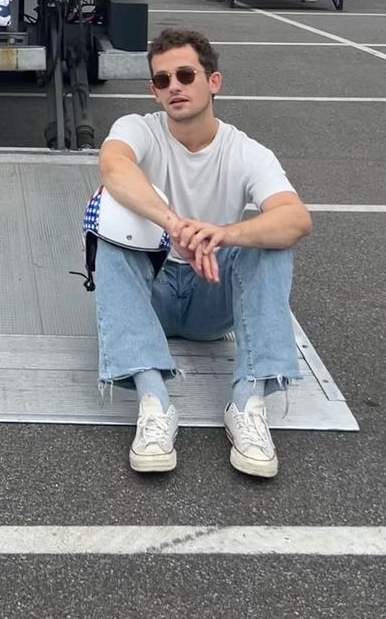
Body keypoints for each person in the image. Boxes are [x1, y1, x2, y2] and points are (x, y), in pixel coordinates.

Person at [93, 27, 312, 478]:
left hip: (211, 296)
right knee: (106, 216)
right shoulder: (137, 129)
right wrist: (174, 226)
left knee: (272, 240)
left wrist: (222, 234)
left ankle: (247, 404)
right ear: (154, 92)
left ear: (213, 82)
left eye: (186, 75)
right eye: (162, 80)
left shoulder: (246, 151)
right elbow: (114, 168)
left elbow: (297, 218)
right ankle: (154, 403)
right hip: (150, 294)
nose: (174, 86)